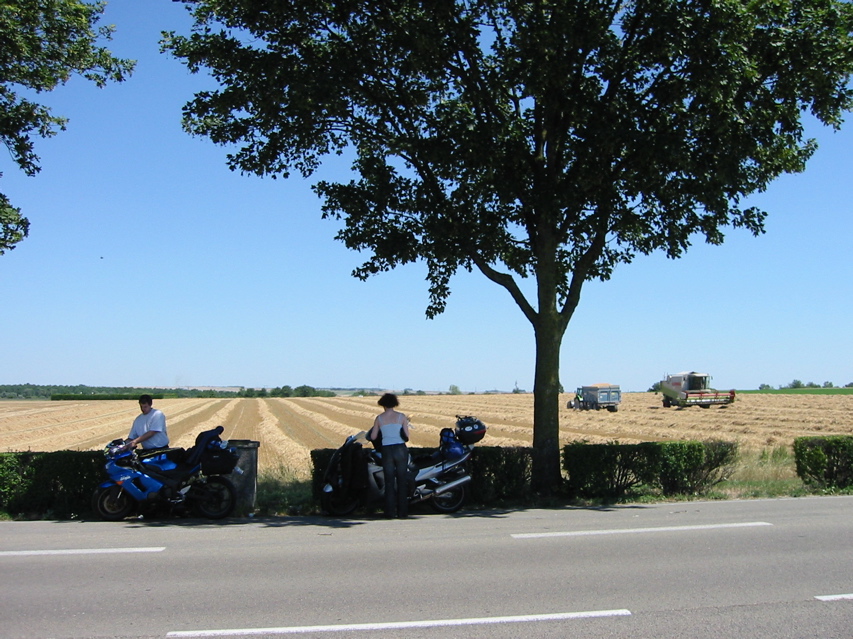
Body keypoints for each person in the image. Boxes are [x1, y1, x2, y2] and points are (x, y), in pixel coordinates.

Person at [368, 393, 411, 519]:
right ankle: (403, 512)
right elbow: (407, 436)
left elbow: (373, 437)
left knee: (389, 481)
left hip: (387, 450)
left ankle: (390, 512)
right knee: (402, 480)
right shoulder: (401, 417)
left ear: (383, 404)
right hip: (400, 449)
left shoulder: (379, 418)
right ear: (394, 403)